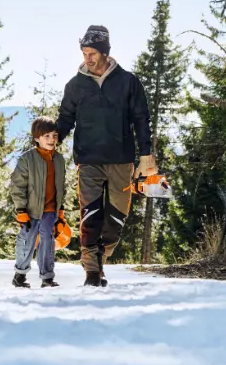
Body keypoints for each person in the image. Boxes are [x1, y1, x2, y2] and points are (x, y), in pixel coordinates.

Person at [57, 25, 156, 287]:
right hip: (88, 161)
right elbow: (65, 119)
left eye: (92, 53)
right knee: (90, 216)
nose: (87, 58)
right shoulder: (75, 85)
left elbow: (141, 120)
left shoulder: (128, 82)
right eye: (84, 52)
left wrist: (146, 155)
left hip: (121, 160)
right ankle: (91, 272)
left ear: (104, 52)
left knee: (115, 220)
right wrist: (52, 139)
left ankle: (101, 258)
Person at [9, 116, 68, 289]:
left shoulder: (59, 159)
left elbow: (61, 186)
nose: (51, 140)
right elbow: (17, 186)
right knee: (27, 241)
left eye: (54, 136)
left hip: (51, 210)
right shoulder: (27, 159)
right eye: (46, 136)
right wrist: (21, 211)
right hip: (30, 210)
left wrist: (61, 210)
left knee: (47, 241)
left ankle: (47, 278)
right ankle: (19, 275)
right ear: (37, 138)